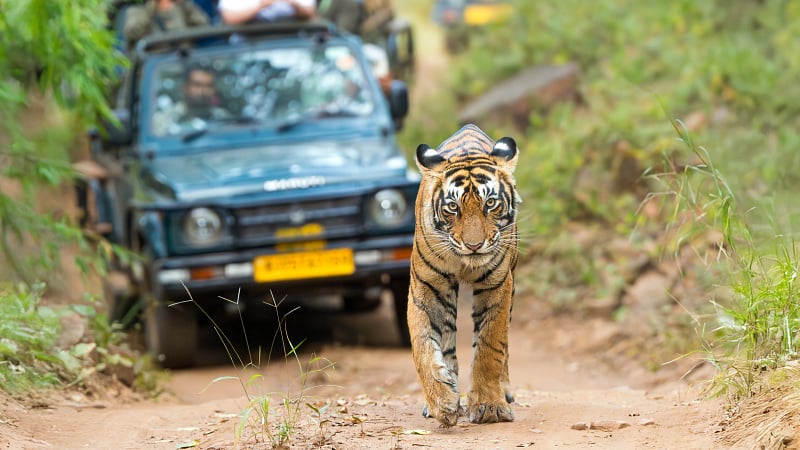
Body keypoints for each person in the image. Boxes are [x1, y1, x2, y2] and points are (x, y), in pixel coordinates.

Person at [152, 65, 230, 136]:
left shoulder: (223, 118)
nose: (203, 91)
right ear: (185, 88)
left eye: (208, 86)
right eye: (197, 85)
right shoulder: (164, 120)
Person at [123, 0, 210, 53]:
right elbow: (132, 31)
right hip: (155, 64)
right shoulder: (138, 10)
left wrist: (184, 4)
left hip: (183, 61)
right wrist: (152, 7)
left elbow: (204, 25)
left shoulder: (182, 8)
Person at [218, 0, 316, 25]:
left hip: (292, 44)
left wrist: (293, 4)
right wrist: (261, 5)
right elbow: (229, 18)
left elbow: (310, 13)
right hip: (248, 46)